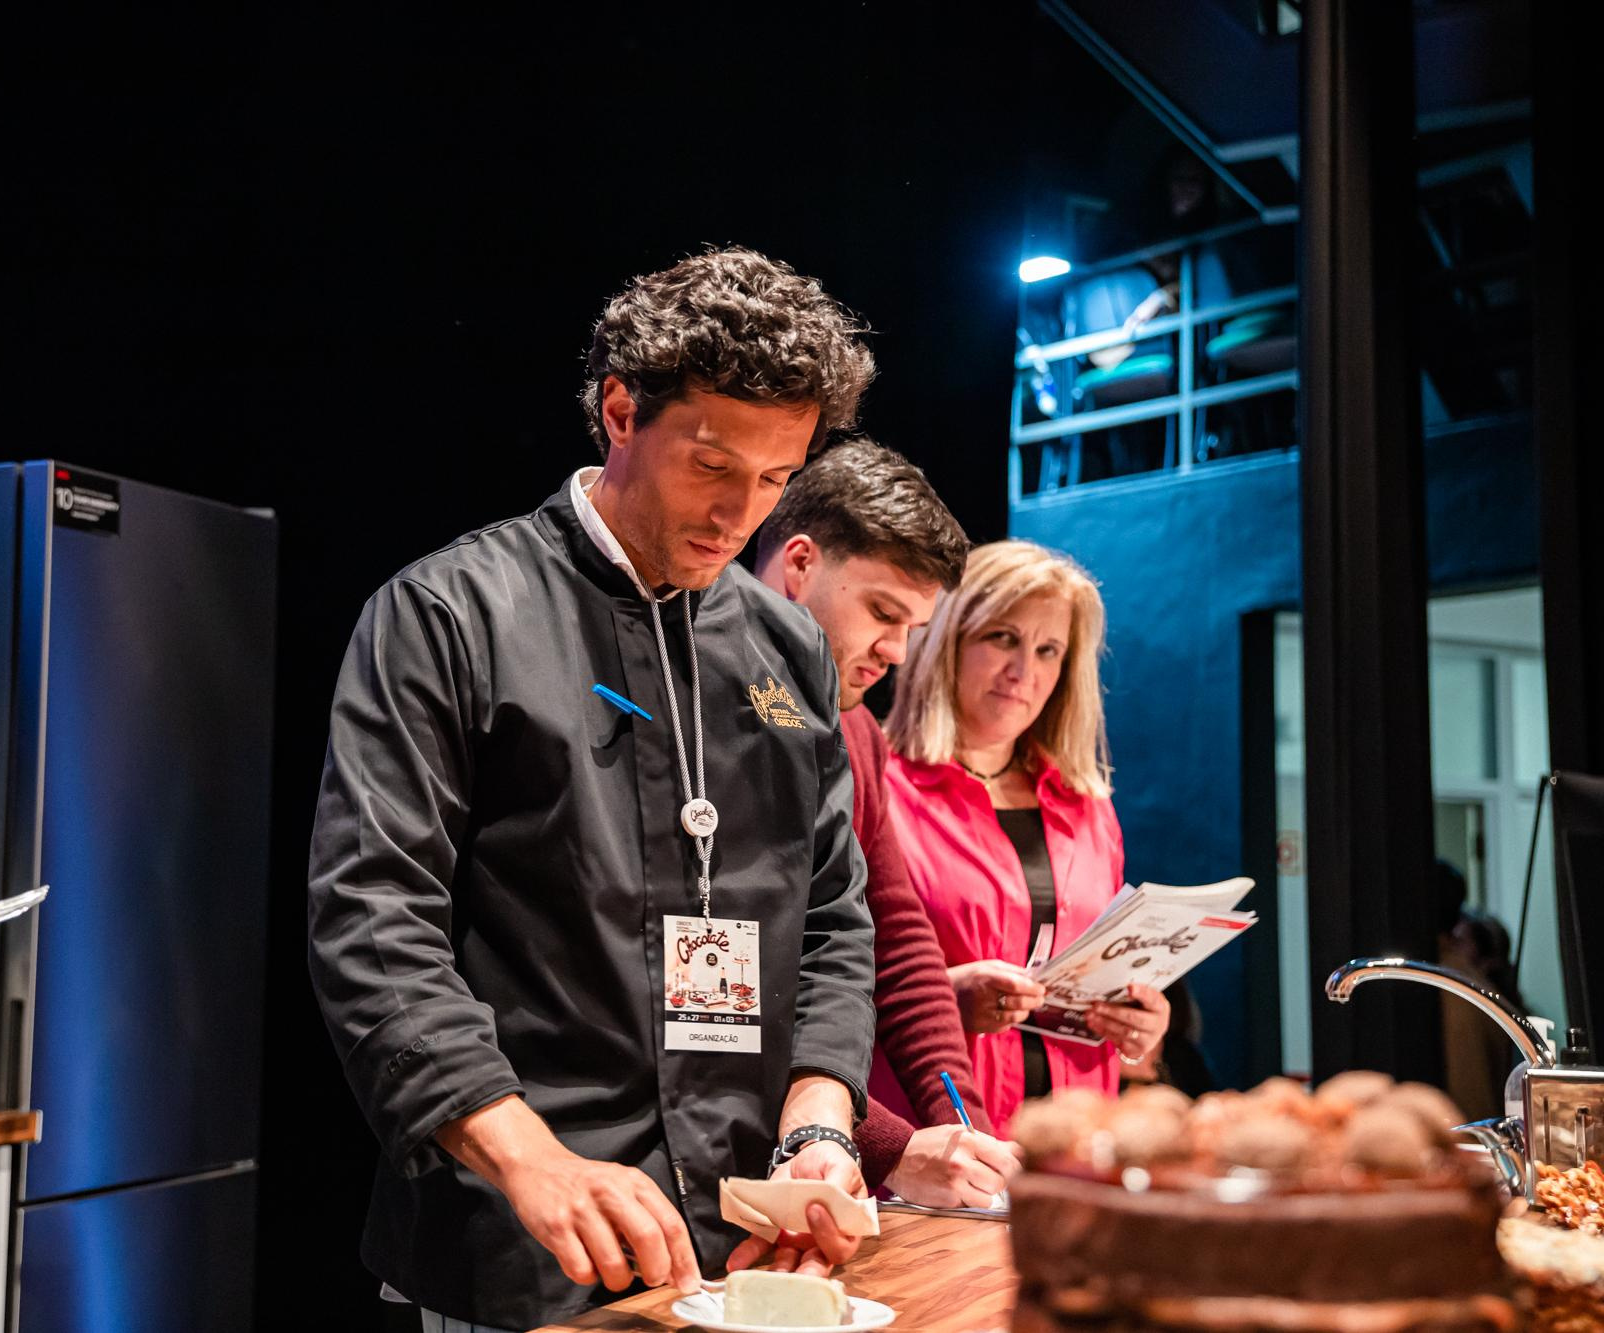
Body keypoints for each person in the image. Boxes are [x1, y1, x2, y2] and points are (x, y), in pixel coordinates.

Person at [309, 247, 881, 1333]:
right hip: (525, 1230)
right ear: (619, 410)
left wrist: (817, 1127)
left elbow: (831, 920)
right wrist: (530, 1159)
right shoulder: (450, 613)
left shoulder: (786, 646)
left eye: (773, 479)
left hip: (743, 1232)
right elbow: (372, 924)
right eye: (711, 465)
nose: (738, 516)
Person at [752, 437, 1020, 1207]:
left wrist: (962, 1128)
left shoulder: (857, 729)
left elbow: (894, 933)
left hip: (814, 1163)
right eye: (882, 612)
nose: (896, 653)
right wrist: (891, 1146)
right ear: (798, 564)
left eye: (914, 627)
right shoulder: (699, 703)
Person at [881, 541, 1169, 1135]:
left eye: (1048, 650)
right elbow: (819, 982)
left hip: (1074, 1144)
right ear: (947, 640)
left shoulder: (1086, 805)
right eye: (1003, 639)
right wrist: (942, 996)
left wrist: (1137, 1030)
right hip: (933, 1142)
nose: (1023, 672)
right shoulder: (877, 786)